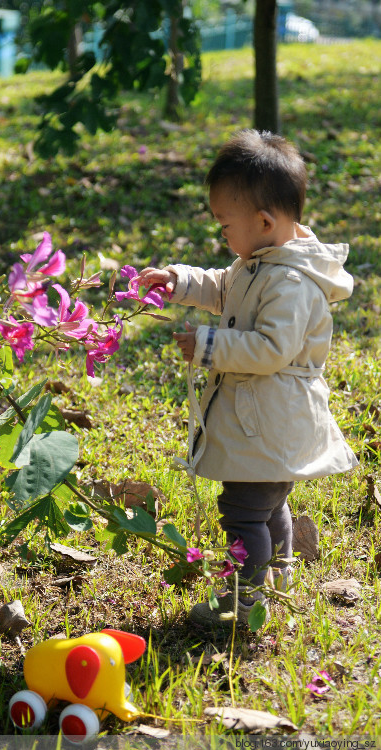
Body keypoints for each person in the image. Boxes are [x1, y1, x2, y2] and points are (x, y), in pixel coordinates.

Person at [136, 129, 358, 625]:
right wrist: (179, 281)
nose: (222, 236)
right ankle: (277, 576)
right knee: (265, 505)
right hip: (265, 421)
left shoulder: (293, 282)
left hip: (269, 421)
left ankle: (244, 596)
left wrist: (209, 346)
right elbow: (223, 287)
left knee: (241, 512)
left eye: (224, 225)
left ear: (262, 221)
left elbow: (272, 349)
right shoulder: (258, 262)